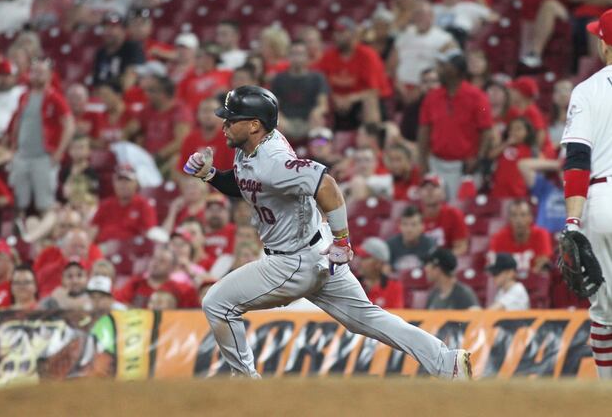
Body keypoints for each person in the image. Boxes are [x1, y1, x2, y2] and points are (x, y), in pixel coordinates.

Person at [184, 85, 471, 378]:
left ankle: (245, 383)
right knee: (367, 318)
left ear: (254, 124)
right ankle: (446, 362)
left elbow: (327, 185)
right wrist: (210, 175)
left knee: (217, 303)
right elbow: (246, 183)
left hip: (292, 261)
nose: (224, 124)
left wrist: (342, 240)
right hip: (315, 253)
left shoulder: (273, 160)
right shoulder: (253, 149)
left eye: (232, 119)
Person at [559, 8, 612, 378]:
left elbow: (578, 160)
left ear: (604, 43)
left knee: (605, 315)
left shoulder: (589, 89)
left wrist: (573, 222)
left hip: (602, 203)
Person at [417, 49, 493, 201]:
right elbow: (424, 129)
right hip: (437, 163)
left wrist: (479, 158)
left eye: (444, 66)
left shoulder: (479, 97)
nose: (440, 71)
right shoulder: (431, 98)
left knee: (462, 207)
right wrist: (422, 161)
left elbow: (487, 129)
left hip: (465, 167)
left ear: (456, 70)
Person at [7, 58, 75, 218]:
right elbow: (18, 120)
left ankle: (45, 234)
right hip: (22, 155)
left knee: (45, 202)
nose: (36, 76)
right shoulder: (24, 96)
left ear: (50, 75)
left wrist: (59, 151)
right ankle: (20, 235)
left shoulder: (55, 98)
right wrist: (13, 144)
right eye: (34, 72)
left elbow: (70, 124)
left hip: (43, 156)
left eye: (41, 72)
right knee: (19, 200)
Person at [314, 16, 390, 131]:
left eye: (341, 32)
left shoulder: (367, 55)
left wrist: (350, 99)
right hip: (335, 105)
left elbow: (374, 92)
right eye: (335, 32)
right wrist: (334, 98)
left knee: (370, 102)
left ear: (353, 34)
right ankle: (319, 144)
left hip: (359, 104)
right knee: (318, 107)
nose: (336, 36)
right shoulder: (328, 56)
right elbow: (318, 83)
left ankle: (372, 140)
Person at [391, 0, 456, 104]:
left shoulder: (444, 39)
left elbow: (449, 68)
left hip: (427, 89)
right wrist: (399, 85)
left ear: (432, 16)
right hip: (400, 87)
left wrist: (421, 88)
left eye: (422, 14)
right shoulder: (403, 36)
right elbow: (391, 65)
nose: (419, 17)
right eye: (416, 14)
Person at [270, 40, 329, 142]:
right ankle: (279, 155)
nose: (297, 58)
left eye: (301, 54)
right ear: (288, 57)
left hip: (309, 120)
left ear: (307, 57)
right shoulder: (279, 79)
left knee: (319, 119)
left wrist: (317, 112)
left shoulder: (317, 78)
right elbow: (273, 105)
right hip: (286, 121)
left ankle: (319, 155)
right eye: (294, 54)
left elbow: (323, 105)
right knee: (275, 121)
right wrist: (279, 116)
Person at [133, 74, 194, 172]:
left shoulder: (180, 111)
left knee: (175, 160)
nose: (146, 94)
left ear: (164, 93)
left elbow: (181, 141)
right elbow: (135, 131)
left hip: (166, 160)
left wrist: (158, 156)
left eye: (152, 91)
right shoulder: (148, 109)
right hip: (147, 159)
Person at [113, 245, 199, 308]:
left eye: (162, 261)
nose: (156, 263)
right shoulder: (136, 283)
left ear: (172, 267)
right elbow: (118, 303)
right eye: (154, 258)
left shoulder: (181, 289)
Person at [91, 164, 157, 244]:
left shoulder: (144, 205)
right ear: (114, 183)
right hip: (104, 248)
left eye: (127, 181)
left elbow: (149, 233)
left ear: (135, 183)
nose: (123, 185)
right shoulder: (105, 205)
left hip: (131, 249)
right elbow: (93, 229)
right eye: (120, 180)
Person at [33, 228, 103, 298]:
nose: (78, 250)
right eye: (74, 246)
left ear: (87, 251)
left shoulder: (95, 272)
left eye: (82, 247)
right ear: (63, 249)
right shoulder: (47, 272)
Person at [489, 199, 553, 273]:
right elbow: (494, 266)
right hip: (508, 283)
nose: (518, 220)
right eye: (514, 215)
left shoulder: (541, 234)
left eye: (523, 215)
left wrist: (526, 279)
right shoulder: (499, 237)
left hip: (533, 281)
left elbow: (543, 263)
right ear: (509, 219)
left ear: (530, 218)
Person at [176, 97, 233, 174]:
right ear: (197, 115)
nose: (208, 115)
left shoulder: (229, 138)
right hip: (194, 183)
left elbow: (232, 172)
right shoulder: (190, 139)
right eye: (204, 111)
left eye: (213, 111)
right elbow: (182, 171)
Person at [92, 12, 145, 89]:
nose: (108, 31)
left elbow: (136, 73)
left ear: (124, 30)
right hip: (102, 95)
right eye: (105, 27)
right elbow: (96, 81)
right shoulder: (101, 53)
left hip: (125, 95)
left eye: (113, 27)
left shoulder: (131, 48)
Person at [419, 175, 469, 256]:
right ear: (419, 193)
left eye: (434, 187)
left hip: (446, 264)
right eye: (425, 188)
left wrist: (443, 260)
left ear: (443, 193)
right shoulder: (414, 215)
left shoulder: (453, 214)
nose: (429, 191)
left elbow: (461, 247)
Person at [489, 117, 539, 198]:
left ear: (527, 132)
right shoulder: (503, 147)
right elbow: (491, 156)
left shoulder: (531, 150)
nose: (514, 132)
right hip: (498, 192)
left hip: (520, 193)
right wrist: (506, 144)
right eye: (511, 129)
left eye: (518, 129)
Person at [176, 44, 232, 114]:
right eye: (204, 57)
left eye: (211, 57)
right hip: (195, 115)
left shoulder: (226, 74)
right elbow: (179, 99)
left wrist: (225, 91)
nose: (207, 60)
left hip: (220, 112)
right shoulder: (189, 78)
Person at [518, 157, 566, 234]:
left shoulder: (579, 190)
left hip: (569, 239)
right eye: (563, 170)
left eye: (569, 171)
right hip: (544, 237)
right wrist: (558, 164)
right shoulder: (546, 186)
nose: (565, 174)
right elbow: (523, 165)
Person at [355, 237, 403, 309]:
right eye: (360, 257)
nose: (359, 261)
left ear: (378, 263)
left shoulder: (393, 287)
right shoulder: (353, 283)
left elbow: (396, 315)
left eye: (364, 258)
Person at [386, 205, 437, 272]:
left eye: (414, 224)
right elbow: (386, 271)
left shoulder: (429, 245)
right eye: (405, 224)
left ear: (422, 227)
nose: (409, 230)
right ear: (399, 226)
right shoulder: (390, 245)